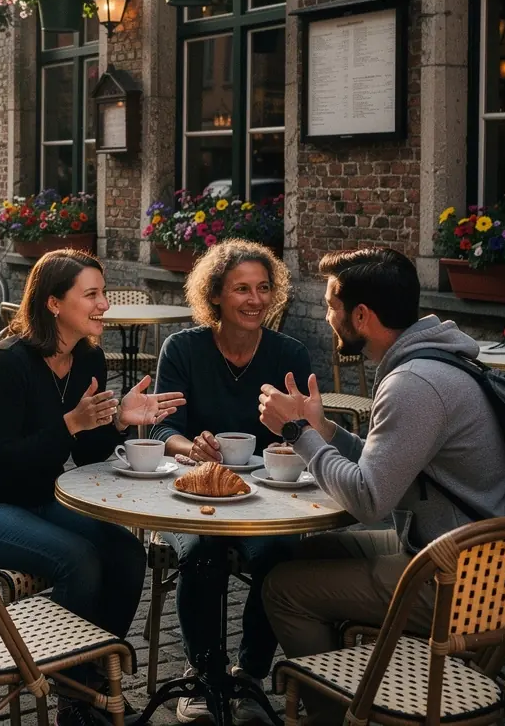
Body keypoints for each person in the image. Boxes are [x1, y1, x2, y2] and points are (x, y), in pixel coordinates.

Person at [258, 247, 505, 722]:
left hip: (458, 584)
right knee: (302, 554)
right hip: (476, 563)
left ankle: (339, 714)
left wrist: (297, 434)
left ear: (362, 315)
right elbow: (386, 465)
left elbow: (370, 499)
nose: (329, 317)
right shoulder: (434, 361)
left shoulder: (413, 382)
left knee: (282, 589)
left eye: (332, 306)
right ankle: (356, 679)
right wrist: (324, 430)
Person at [0, 249, 185, 726]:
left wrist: (118, 421)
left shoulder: (87, 356)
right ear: (54, 303)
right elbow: (2, 461)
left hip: (36, 499)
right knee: (78, 559)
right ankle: (70, 693)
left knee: (126, 553)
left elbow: (91, 452)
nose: (104, 305)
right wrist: (69, 423)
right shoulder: (8, 363)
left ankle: (87, 678)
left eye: (103, 293)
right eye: (91, 295)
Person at [150, 240, 311, 724]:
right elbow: (161, 428)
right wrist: (188, 448)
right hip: (190, 492)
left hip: (265, 496)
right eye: (241, 288)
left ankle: (250, 675)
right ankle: (205, 675)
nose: (255, 300)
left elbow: (304, 429)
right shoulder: (183, 348)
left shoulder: (290, 353)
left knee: (280, 555)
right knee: (201, 553)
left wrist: (293, 439)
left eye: (263, 288)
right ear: (215, 294)